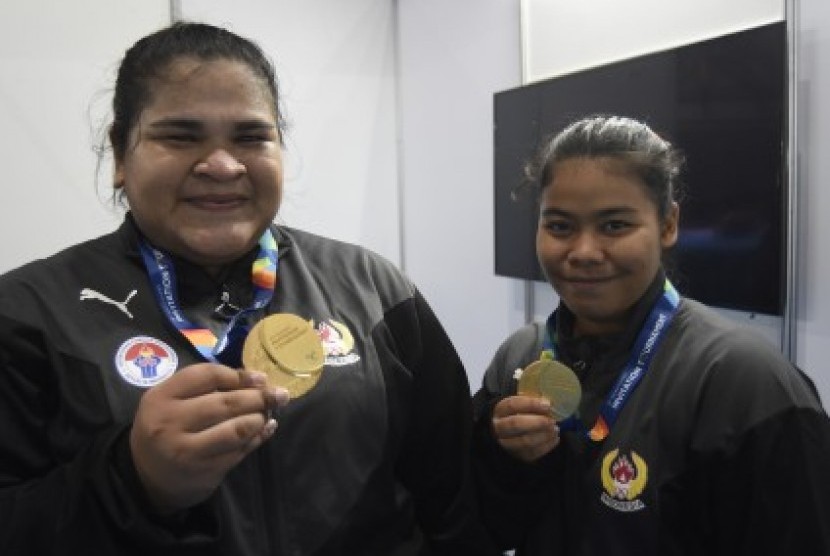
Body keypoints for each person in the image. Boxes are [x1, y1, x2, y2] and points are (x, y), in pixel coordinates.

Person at [0, 22, 498, 556]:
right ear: (121, 155)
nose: (221, 164)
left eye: (251, 136)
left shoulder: (376, 289)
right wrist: (133, 480)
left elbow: (451, 503)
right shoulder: (27, 312)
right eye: (180, 135)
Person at [471, 114, 830, 555]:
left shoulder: (749, 383)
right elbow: (486, 527)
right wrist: (506, 461)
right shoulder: (520, 358)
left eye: (615, 225)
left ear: (667, 225)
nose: (583, 252)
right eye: (560, 226)